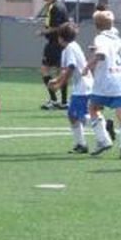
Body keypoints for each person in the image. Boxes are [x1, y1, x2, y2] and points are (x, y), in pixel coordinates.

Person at [86, 9, 121, 159]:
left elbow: (101, 55)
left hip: (107, 80)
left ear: (96, 25)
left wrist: (88, 66)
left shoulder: (100, 38)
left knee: (93, 108)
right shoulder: (118, 39)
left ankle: (103, 140)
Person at [47, 21, 94, 153]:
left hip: (82, 87)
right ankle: (82, 143)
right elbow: (67, 69)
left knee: (74, 114)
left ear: (60, 37)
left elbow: (71, 67)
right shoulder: (74, 46)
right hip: (86, 85)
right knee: (76, 115)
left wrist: (59, 84)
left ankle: (101, 127)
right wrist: (57, 80)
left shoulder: (69, 49)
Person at [37, 0, 69, 109]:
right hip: (61, 44)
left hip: (54, 44)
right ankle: (64, 101)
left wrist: (43, 32)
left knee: (45, 70)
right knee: (61, 71)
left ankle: (54, 100)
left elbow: (57, 27)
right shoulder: (61, 5)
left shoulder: (54, 7)